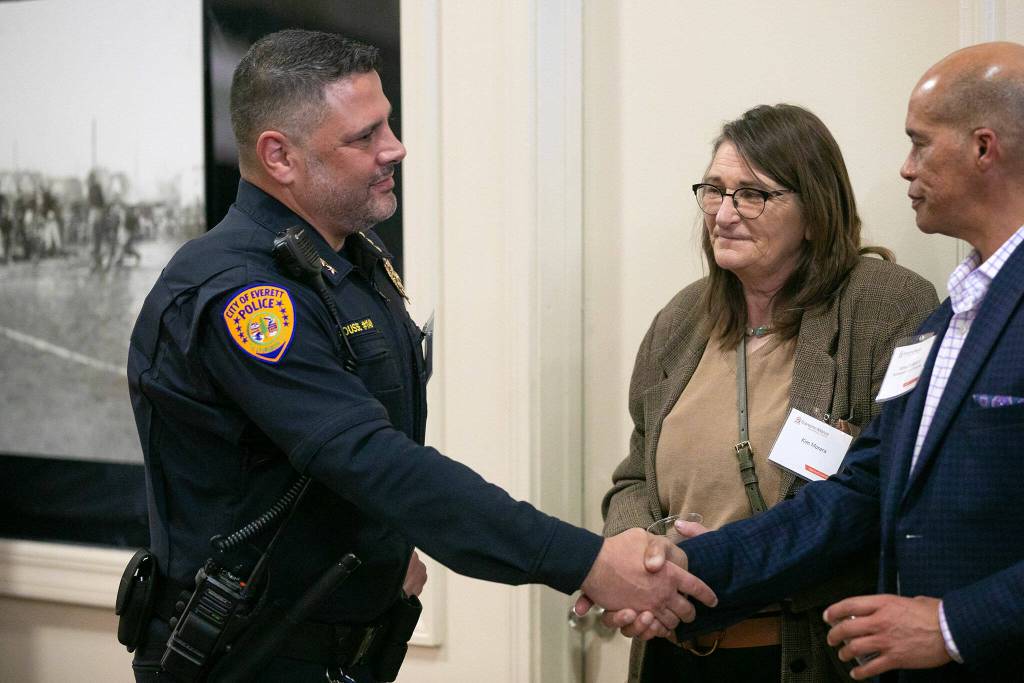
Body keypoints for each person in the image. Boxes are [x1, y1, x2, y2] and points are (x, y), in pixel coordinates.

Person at [125, 29, 714, 683]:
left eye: (390, 123)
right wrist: (589, 562)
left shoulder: (348, 262)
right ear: (280, 157)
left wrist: (383, 548)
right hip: (251, 659)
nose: (394, 148)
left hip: (343, 651)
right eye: (364, 135)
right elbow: (376, 462)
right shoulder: (242, 292)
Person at [598, 41, 1024, 682]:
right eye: (714, 190)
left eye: (919, 143)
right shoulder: (956, 315)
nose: (905, 169)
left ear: (983, 148)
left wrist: (950, 624)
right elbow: (862, 489)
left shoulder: (896, 304)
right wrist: (674, 565)